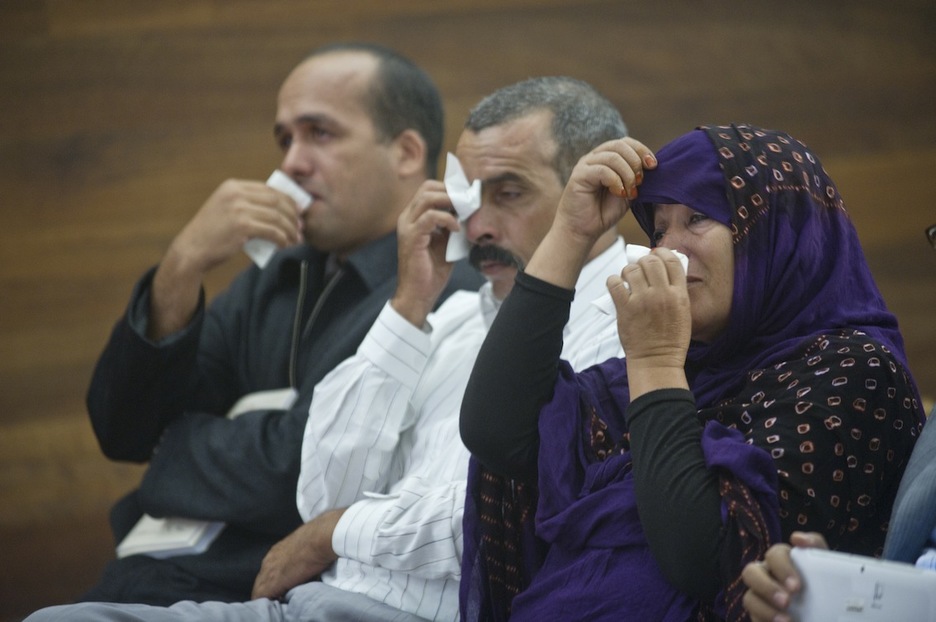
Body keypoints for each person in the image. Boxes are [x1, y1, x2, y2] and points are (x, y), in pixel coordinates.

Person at [25, 78, 645, 621]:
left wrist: (336, 532)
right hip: (309, 599)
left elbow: (516, 515)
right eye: (469, 194)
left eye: (509, 192)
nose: (476, 225)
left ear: (597, 194)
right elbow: (318, 494)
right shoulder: (449, 309)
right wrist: (406, 307)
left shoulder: (637, 307)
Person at [72, 42, 482, 607]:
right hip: (155, 569)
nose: (291, 161)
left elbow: (298, 473)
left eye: (320, 133)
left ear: (407, 152)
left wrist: (172, 449)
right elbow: (123, 429)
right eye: (285, 138)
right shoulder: (280, 272)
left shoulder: (447, 288)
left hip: (268, 589)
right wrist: (182, 264)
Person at [459, 124, 925, 620]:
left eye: (697, 218)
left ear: (774, 232)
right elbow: (499, 431)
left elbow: (706, 559)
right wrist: (570, 233)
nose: (668, 251)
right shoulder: (682, 369)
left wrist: (655, 361)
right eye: (658, 229)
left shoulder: (855, 372)